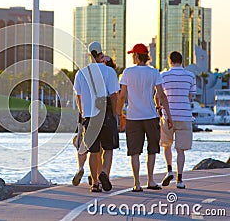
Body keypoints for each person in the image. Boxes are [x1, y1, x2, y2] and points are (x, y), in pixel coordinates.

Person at [117, 43, 173, 192]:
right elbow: (161, 95)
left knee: (134, 151)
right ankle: (151, 180)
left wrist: (118, 113)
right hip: (151, 116)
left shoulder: (128, 72)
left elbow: (122, 96)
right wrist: (169, 115)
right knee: (152, 149)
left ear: (136, 56)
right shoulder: (154, 72)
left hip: (133, 116)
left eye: (133, 55)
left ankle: (136, 183)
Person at [73, 41, 120, 192]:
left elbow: (78, 97)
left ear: (89, 55)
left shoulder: (81, 73)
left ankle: (94, 183)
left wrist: (82, 112)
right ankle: (104, 172)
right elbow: (114, 95)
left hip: (89, 115)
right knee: (108, 148)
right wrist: (115, 113)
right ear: (101, 54)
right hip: (105, 112)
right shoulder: (109, 72)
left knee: (94, 151)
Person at [159, 51, 196, 189]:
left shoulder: (164, 75)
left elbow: (161, 95)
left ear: (170, 61)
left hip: (168, 116)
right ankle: (179, 180)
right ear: (182, 61)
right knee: (181, 150)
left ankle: (169, 170)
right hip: (185, 116)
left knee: (166, 145)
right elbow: (190, 97)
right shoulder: (190, 76)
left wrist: (160, 108)